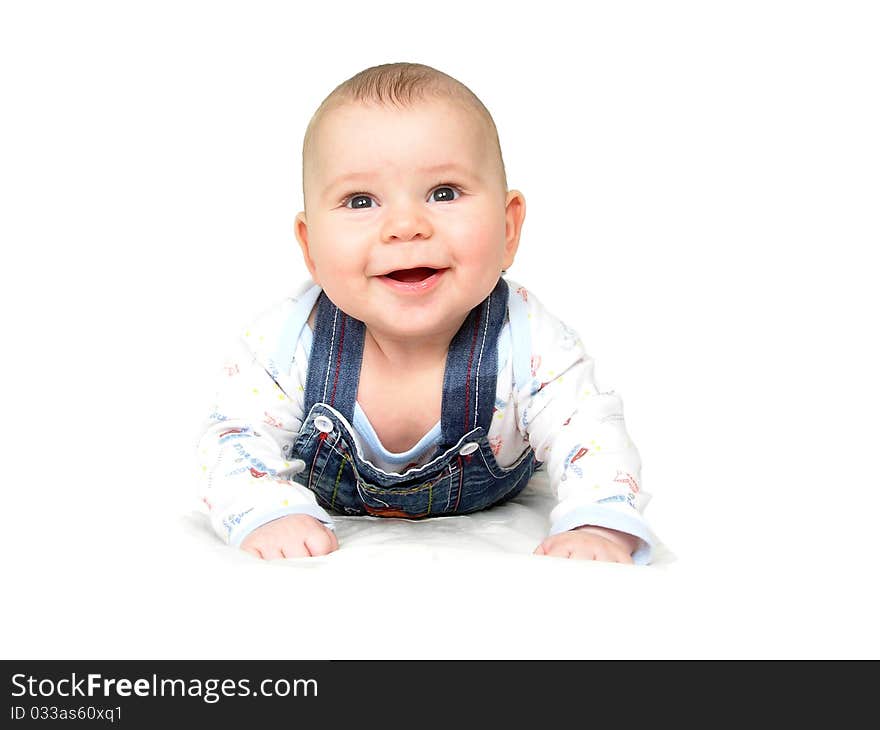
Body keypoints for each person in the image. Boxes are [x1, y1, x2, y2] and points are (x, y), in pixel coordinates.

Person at [196, 62, 658, 564]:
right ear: (311, 249)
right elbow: (234, 437)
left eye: (443, 193)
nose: (405, 225)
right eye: (360, 200)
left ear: (508, 229)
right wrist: (267, 509)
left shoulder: (528, 341)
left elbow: (588, 430)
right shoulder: (288, 341)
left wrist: (598, 519)